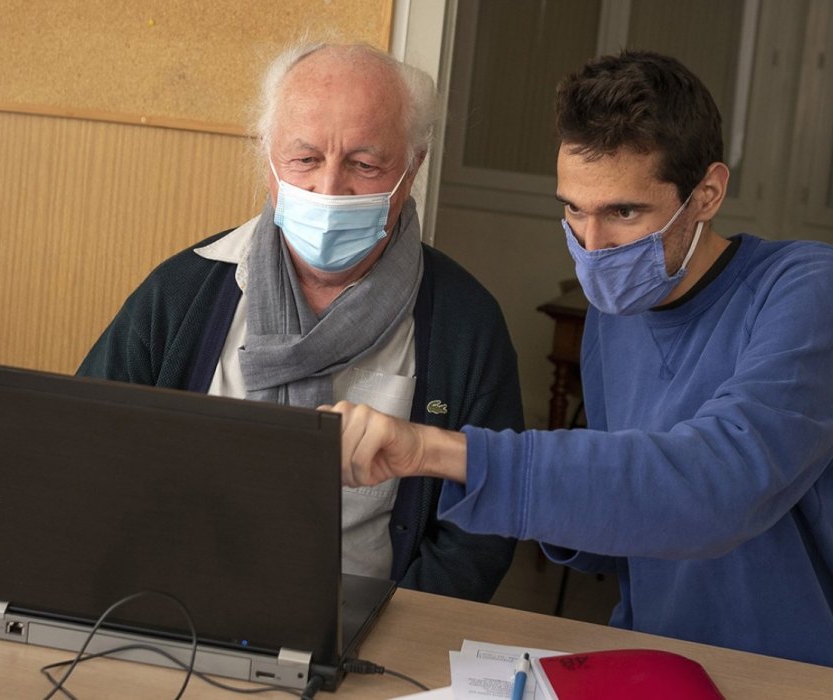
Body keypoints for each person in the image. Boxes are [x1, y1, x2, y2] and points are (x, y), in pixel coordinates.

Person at [326, 50, 833, 674]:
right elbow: (632, 529)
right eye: (573, 208)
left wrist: (438, 451)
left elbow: (717, 483)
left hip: (795, 677)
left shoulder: (809, 285)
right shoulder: (611, 319)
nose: (591, 246)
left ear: (707, 194)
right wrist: (556, 512)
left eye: (623, 212)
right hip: (657, 664)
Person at [77, 42, 523, 602]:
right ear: (268, 158)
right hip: (177, 605)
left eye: (364, 164)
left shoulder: (465, 323)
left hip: (368, 633)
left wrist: (383, 627)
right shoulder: (184, 291)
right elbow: (83, 452)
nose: (329, 190)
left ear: (413, 167)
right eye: (305, 159)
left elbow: (483, 525)